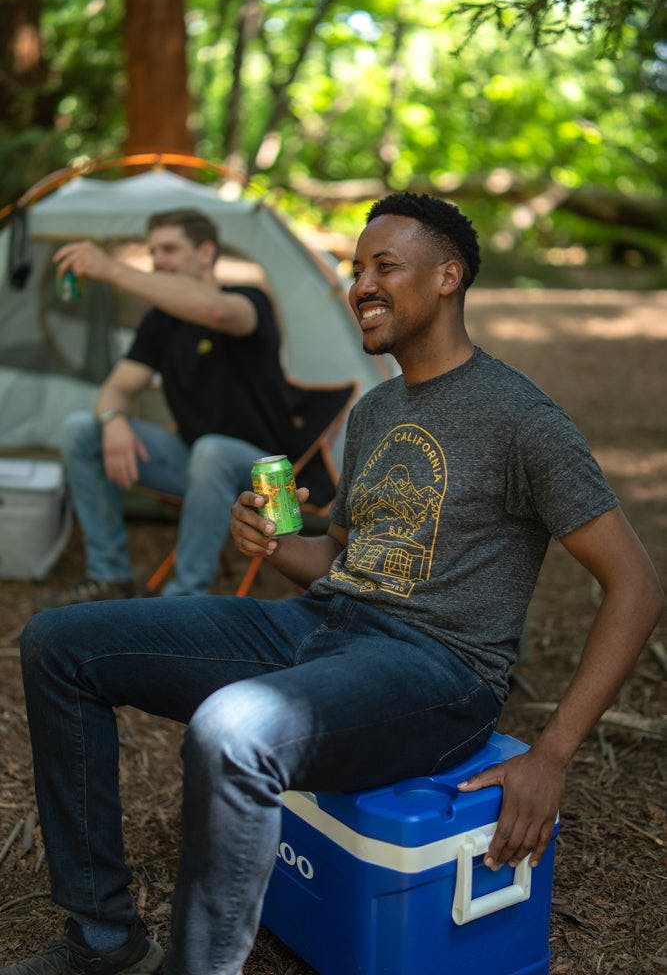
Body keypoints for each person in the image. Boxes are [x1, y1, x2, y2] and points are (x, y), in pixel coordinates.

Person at [6, 192, 662, 975]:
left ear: (449, 276)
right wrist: (279, 546)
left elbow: (635, 587)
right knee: (59, 643)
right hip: (317, 627)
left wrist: (552, 756)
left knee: (233, 730)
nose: (361, 285)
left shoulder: (520, 416)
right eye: (356, 270)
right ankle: (103, 939)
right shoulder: (377, 409)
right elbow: (343, 556)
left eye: (386, 266)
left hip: (436, 669)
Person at [40, 207, 301, 605]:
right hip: (195, 462)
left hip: (262, 473)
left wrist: (112, 270)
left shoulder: (249, 300)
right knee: (82, 429)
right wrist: (112, 421)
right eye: (153, 252)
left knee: (211, 449)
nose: (157, 261)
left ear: (206, 252)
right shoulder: (161, 322)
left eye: (170, 250)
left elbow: (215, 311)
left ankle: (183, 598)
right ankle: (108, 574)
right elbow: (117, 388)